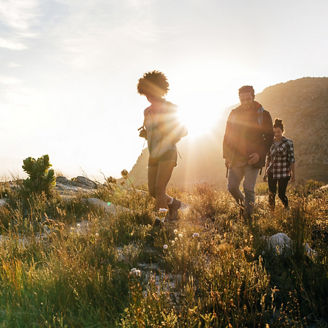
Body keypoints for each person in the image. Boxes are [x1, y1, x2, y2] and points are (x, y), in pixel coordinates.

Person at [137, 70, 187, 220]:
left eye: (151, 91)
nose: (148, 96)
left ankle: (161, 223)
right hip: (153, 154)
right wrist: (146, 134)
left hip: (168, 153)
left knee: (160, 189)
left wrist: (168, 139)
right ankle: (174, 204)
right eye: (145, 93)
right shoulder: (146, 112)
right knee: (153, 191)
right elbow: (151, 131)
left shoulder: (170, 107)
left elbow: (183, 130)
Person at [223, 85, 273, 220]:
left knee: (248, 188)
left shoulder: (263, 114)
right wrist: (226, 156)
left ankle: (248, 218)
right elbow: (227, 135)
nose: (245, 102)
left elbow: (269, 138)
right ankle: (245, 206)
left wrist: (260, 155)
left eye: (247, 99)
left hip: (254, 158)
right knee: (232, 187)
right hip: (236, 157)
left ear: (253, 97)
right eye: (242, 99)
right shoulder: (234, 113)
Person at [264, 119, 295, 210]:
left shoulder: (288, 143)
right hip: (272, 171)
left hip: (284, 172)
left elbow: (292, 159)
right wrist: (266, 173)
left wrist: (293, 174)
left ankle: (286, 208)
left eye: (278, 132)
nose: (276, 134)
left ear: (282, 131)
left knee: (281, 194)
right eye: (274, 132)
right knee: (271, 194)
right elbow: (268, 158)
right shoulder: (270, 143)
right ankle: (272, 213)